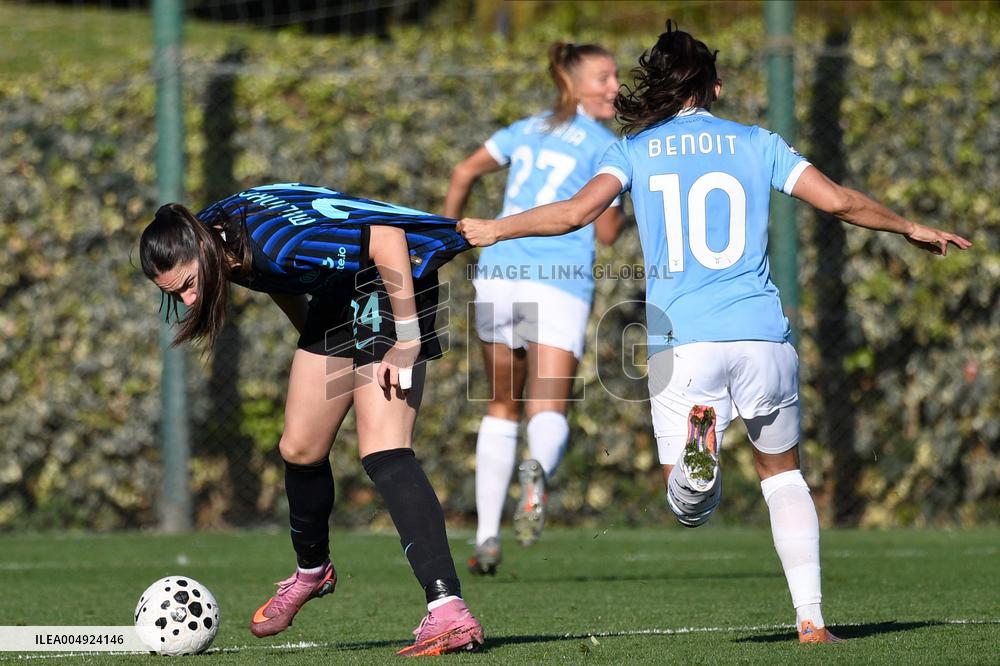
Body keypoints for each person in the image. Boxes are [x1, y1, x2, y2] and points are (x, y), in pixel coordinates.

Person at [457, 22, 972, 643]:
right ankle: (811, 621)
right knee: (784, 476)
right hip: (763, 337)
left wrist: (493, 228)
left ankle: (697, 468)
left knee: (690, 507)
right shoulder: (758, 142)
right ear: (714, 87)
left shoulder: (633, 149)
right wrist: (910, 226)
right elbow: (838, 202)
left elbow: (574, 215)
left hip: (687, 346)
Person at [139, 183, 485, 656]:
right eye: (174, 294)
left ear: (201, 248)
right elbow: (277, 277)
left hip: (393, 279)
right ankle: (313, 571)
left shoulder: (278, 241)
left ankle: (449, 610)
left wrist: (406, 340)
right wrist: (321, 345)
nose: (189, 301)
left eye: (187, 285)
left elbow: (386, 239)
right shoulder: (211, 236)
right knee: (299, 448)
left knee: (384, 450)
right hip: (338, 291)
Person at [443, 41, 626, 574]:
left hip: (498, 274)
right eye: (604, 77)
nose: (614, 86)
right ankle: (537, 476)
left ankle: (486, 536)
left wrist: (446, 238)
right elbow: (608, 232)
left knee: (501, 404)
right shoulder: (606, 146)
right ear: (574, 83)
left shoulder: (525, 129)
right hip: (557, 279)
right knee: (547, 405)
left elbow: (462, 172)